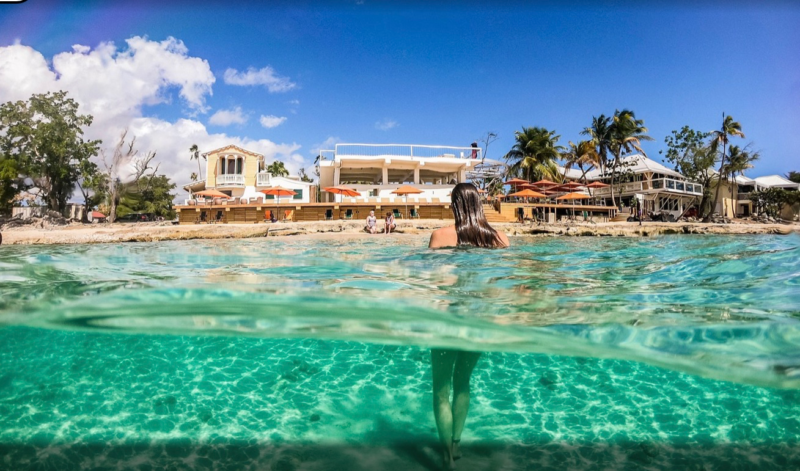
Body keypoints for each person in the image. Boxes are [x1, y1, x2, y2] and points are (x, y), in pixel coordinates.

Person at [428, 183, 509, 470]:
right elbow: (500, 286)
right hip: (479, 321)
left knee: (441, 389)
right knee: (463, 384)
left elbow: (435, 283)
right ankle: (457, 445)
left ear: (454, 205)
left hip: (448, 320)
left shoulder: (439, 236)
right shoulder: (499, 238)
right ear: (479, 203)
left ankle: (446, 457)